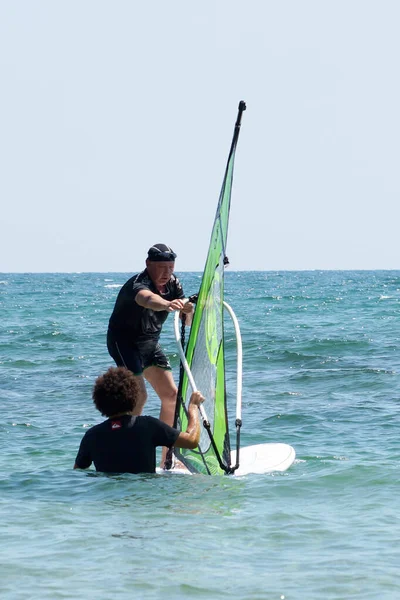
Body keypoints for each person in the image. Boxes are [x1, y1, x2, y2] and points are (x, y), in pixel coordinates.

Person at [106, 243, 193, 466]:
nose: (167, 273)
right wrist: (166, 304)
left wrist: (187, 309)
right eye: (162, 267)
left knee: (172, 396)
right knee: (140, 397)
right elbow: (147, 300)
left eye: (171, 267)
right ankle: (130, 453)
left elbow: (187, 316)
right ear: (148, 264)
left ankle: (167, 458)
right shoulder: (139, 283)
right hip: (124, 343)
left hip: (149, 344)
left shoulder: (174, 284)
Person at [74, 366, 204, 474]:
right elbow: (192, 440)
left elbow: (77, 474)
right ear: (133, 396)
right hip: (144, 499)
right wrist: (193, 407)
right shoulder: (148, 426)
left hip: (109, 500)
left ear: (99, 401)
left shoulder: (91, 436)